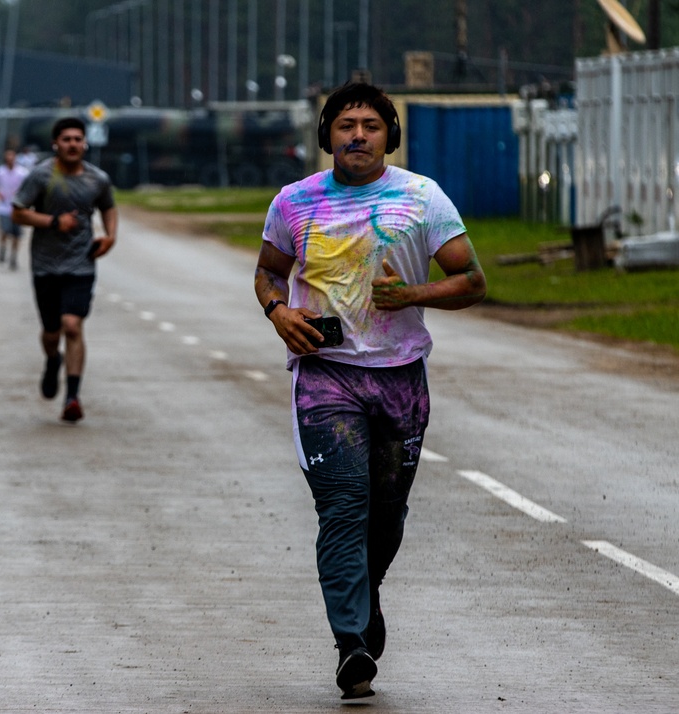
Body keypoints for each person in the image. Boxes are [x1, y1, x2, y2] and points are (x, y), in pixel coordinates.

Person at [253, 81, 486, 700]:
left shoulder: (422, 198)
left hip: (400, 378)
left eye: (371, 125)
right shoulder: (295, 202)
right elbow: (268, 272)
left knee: (385, 515)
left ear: (390, 136)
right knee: (344, 504)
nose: (358, 135)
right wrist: (279, 313)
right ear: (327, 133)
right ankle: (351, 642)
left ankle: (365, 592)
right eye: (346, 124)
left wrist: (413, 295)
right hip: (324, 374)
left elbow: (471, 279)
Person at [12, 117, 117, 423]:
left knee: (72, 325)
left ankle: (72, 396)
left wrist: (110, 237)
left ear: (84, 143)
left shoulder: (97, 179)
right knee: (50, 332)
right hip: (45, 266)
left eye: (77, 139)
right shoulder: (41, 176)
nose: (73, 144)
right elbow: (18, 213)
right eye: (67, 139)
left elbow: (109, 207)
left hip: (81, 264)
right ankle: (52, 359)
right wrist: (54, 222)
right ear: (55, 144)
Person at [0, 147, 29, 269]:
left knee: (16, 235)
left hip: (17, 207)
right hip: (3, 207)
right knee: (4, 230)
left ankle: (13, 257)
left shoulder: (23, 173)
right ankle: (2, 249)